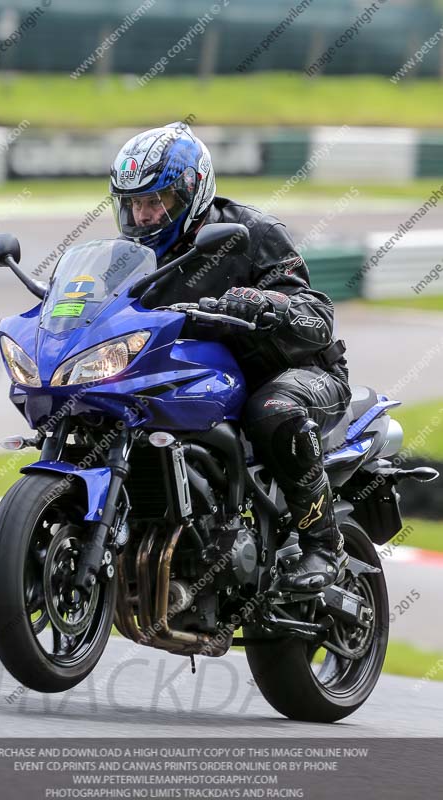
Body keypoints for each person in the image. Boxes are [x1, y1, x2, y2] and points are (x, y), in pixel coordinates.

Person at [109, 121, 352, 592]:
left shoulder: (252, 233)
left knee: (272, 410)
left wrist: (265, 303)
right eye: (133, 203)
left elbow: (318, 318)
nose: (143, 215)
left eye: (156, 201)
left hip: (296, 372)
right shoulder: (129, 256)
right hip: (207, 380)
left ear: (192, 192)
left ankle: (324, 545)